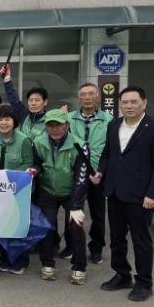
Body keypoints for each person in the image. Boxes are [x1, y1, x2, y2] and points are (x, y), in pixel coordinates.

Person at [92, 86, 154, 302]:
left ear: (144, 103)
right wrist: (101, 172)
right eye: (125, 102)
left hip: (141, 195)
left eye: (134, 102)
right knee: (117, 238)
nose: (129, 106)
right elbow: (107, 154)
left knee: (141, 240)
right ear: (119, 104)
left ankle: (144, 282)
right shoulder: (114, 125)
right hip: (115, 192)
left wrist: (153, 194)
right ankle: (122, 275)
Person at [27, 109, 90, 284]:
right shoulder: (38, 142)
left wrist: (76, 204)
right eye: (50, 125)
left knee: (76, 226)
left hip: (72, 192)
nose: (54, 129)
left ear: (67, 125)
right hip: (47, 191)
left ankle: (79, 266)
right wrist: (34, 170)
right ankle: (47, 263)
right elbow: (37, 164)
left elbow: (81, 177)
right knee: (47, 225)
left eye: (58, 125)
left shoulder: (79, 145)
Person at [62, 83, 113, 264]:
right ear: (79, 98)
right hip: (75, 174)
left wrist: (102, 171)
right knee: (73, 211)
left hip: (98, 174)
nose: (87, 97)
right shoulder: (68, 118)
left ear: (98, 97)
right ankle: (71, 246)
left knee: (98, 215)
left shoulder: (109, 120)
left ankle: (96, 248)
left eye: (91, 94)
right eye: (83, 94)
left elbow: (111, 149)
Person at [0, 105, 34, 274]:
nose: (3, 123)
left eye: (7, 119)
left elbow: (28, 163)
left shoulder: (24, 140)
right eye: (0, 119)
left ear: (14, 121)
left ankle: (20, 261)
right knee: (2, 225)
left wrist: (12, 178)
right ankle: (4, 259)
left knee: (18, 226)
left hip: (18, 190)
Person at [0, 64, 48, 141]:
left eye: (37, 100)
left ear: (45, 102)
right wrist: (6, 79)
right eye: (30, 100)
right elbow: (14, 100)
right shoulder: (24, 114)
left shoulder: (50, 119)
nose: (33, 103)